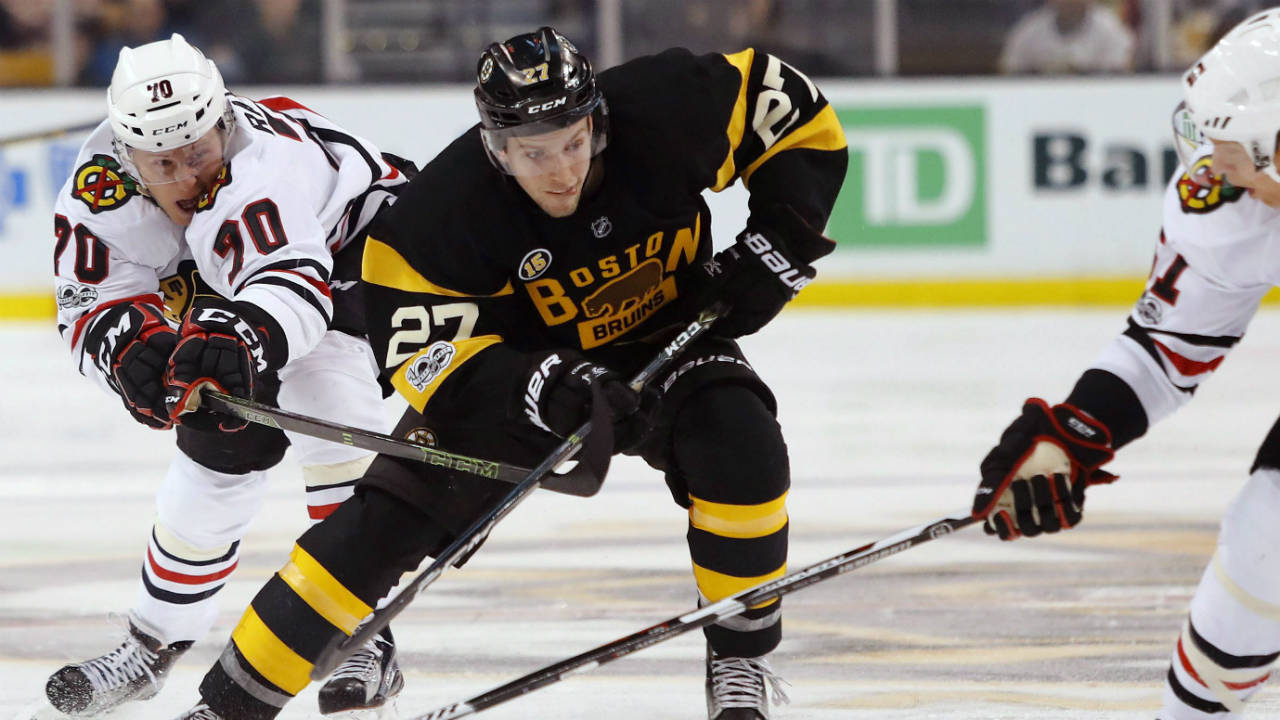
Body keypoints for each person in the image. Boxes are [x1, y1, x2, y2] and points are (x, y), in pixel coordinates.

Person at [174, 25, 848, 720]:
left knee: (742, 444)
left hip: (667, 340)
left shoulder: (670, 106)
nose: (562, 171)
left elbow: (794, 112)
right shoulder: (442, 215)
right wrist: (537, 386)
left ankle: (740, 661)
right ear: (497, 148)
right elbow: (421, 355)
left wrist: (782, 239)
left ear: (599, 123)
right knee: (377, 529)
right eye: (534, 152)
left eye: (574, 143)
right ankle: (228, 707)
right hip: (520, 374)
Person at [48, 33, 411, 716]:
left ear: (224, 125)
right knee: (220, 445)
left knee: (329, 400)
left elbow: (292, 282)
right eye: (164, 162)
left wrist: (245, 333)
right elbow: (89, 303)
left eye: (200, 152)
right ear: (127, 156)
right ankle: (152, 643)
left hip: (367, 243)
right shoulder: (100, 190)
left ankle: (364, 634)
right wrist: (126, 351)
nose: (189, 178)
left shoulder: (261, 167)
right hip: (243, 278)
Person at [973, 9, 1280, 718]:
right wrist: (1077, 430)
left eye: (1235, 148)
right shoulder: (1235, 204)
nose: (1218, 167)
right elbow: (1169, 348)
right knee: (1267, 527)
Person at [1000, 0, 1135, 74]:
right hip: (1038, 104)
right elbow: (1009, 70)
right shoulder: (1029, 30)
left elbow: (1121, 72)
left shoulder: (1111, 31)